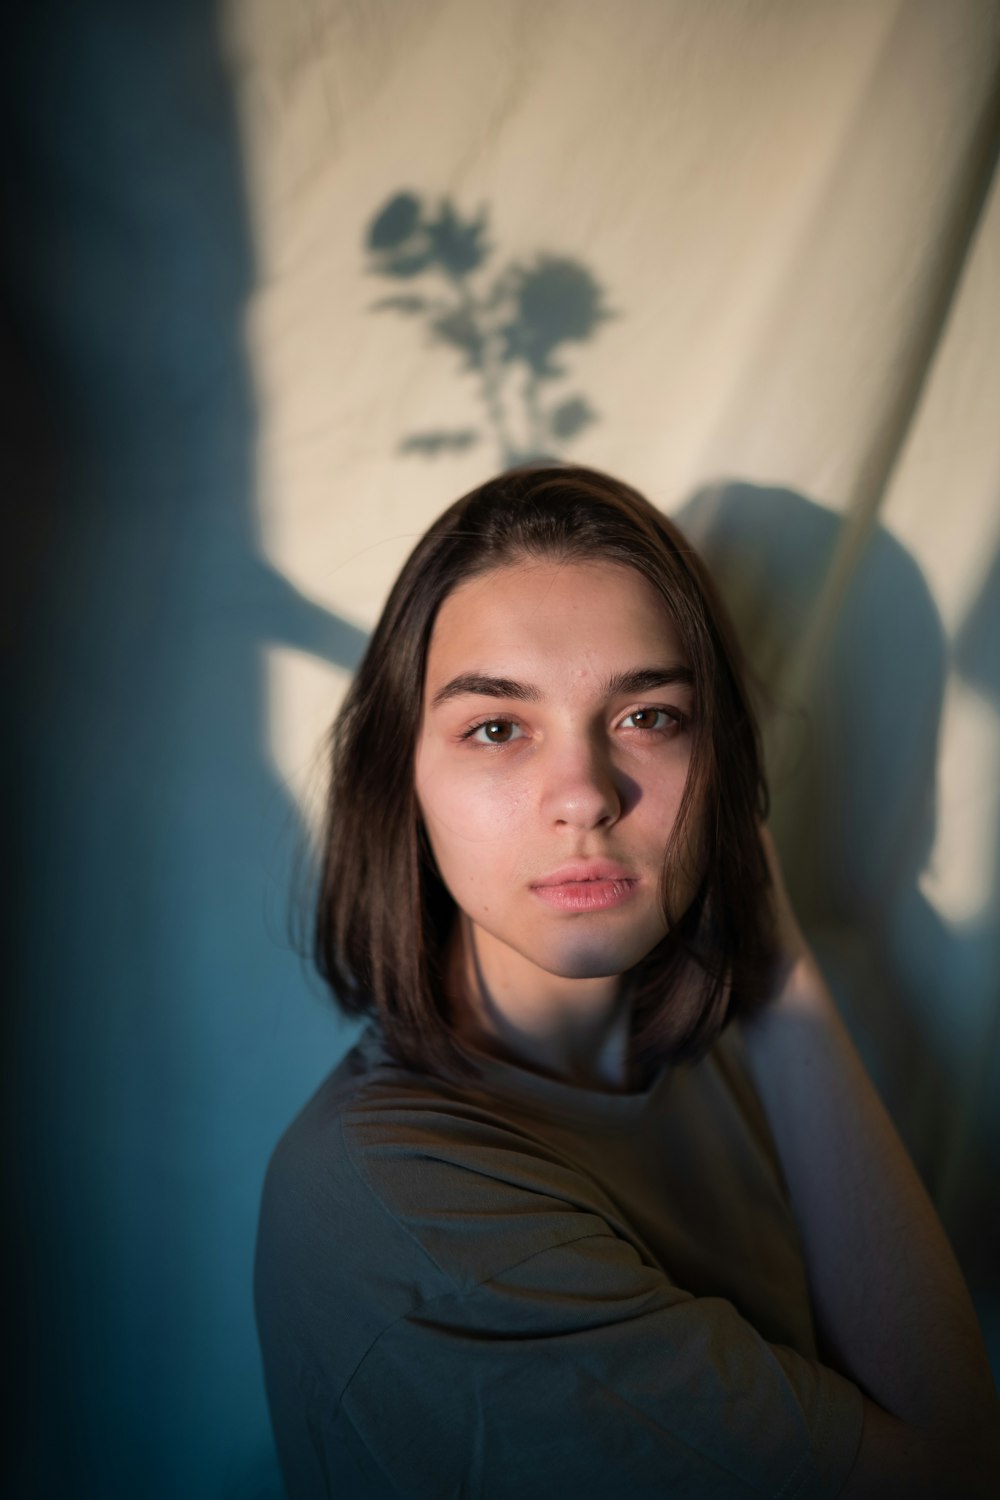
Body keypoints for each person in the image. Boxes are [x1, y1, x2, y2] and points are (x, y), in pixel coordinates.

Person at [254, 464, 997, 1498]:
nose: (585, 796)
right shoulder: (405, 1211)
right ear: (402, 781)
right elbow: (951, 1473)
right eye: (497, 728)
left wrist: (771, 961)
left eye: (647, 716)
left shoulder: (716, 1045)